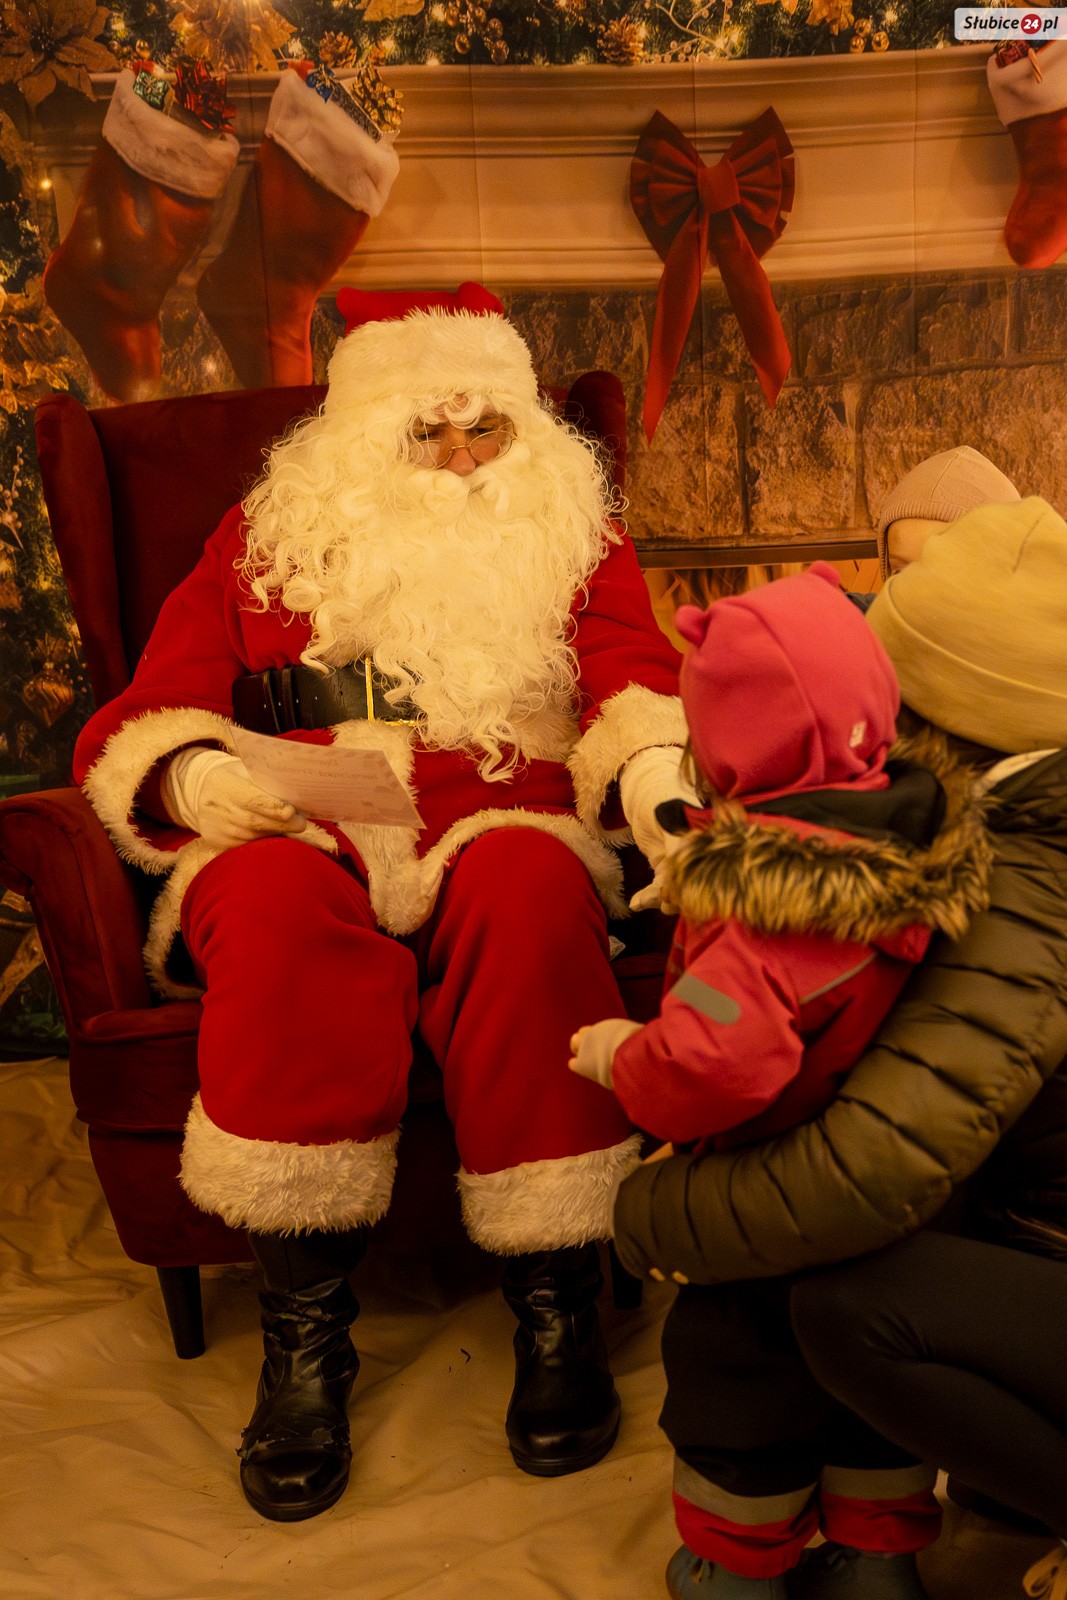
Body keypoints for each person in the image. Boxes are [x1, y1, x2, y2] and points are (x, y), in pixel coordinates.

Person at [73, 302, 687, 1522]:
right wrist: (193, 775)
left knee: (526, 897)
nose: (461, 455)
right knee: (266, 905)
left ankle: (556, 1303)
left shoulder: (572, 526)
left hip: (499, 807)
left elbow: (635, 678)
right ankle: (306, 1339)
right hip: (303, 812)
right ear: (362, 435)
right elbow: (156, 700)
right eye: (427, 430)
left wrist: (656, 780)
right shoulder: (268, 531)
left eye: (485, 426)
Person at [613, 496, 1067, 1600]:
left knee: (830, 1307)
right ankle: (894, 1542)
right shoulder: (968, 837)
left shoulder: (1024, 880)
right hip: (1027, 1222)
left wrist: (647, 1216)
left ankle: (748, 1564)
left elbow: (866, 1172)